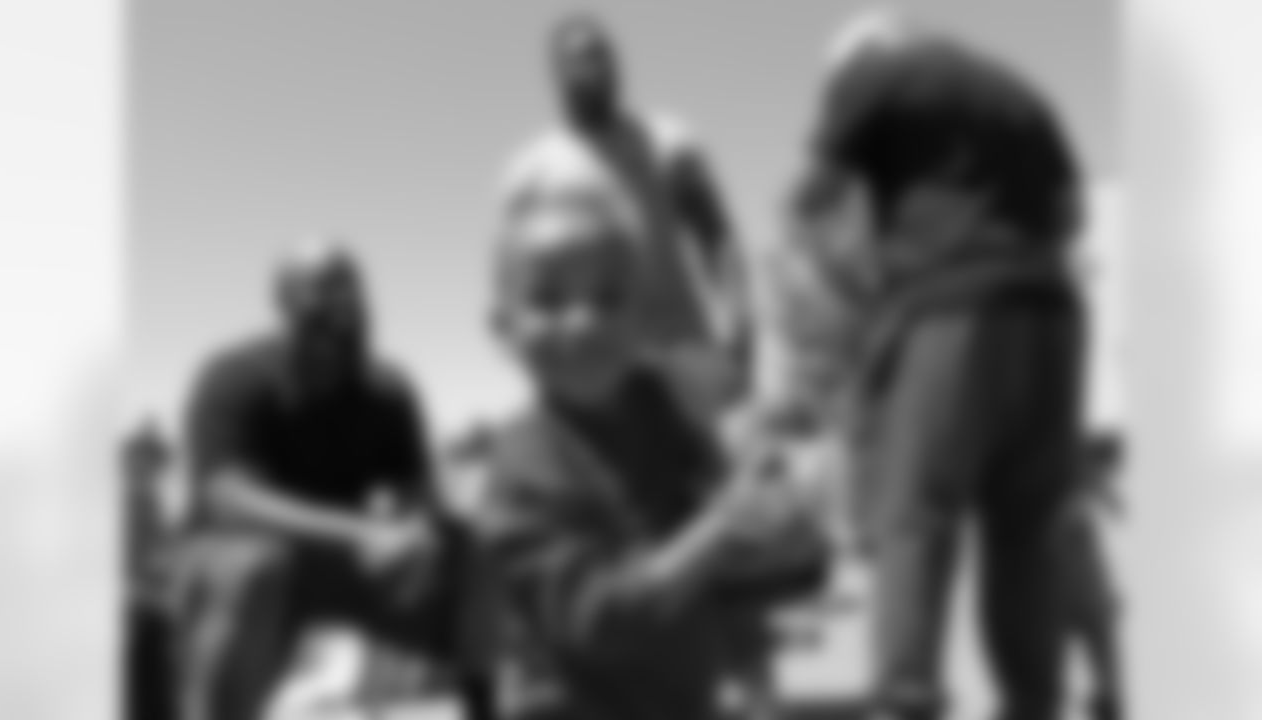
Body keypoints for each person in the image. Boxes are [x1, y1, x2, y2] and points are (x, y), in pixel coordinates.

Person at [799, 14, 1089, 720]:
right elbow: (1071, 214)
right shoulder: (1020, 93)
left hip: (951, 312)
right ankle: (1034, 702)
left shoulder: (874, 74)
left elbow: (815, 199)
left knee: (916, 520)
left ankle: (904, 702)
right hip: (1052, 314)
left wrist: (856, 293)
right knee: (1027, 532)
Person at [473, 178, 829, 720]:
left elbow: (764, 567)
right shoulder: (520, 471)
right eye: (547, 299)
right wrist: (721, 526)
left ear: (641, 316)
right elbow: (599, 620)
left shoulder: (668, 408)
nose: (584, 321)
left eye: (609, 298)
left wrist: (777, 510)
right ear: (504, 328)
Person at [175, 241, 492, 720]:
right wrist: (363, 531)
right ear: (284, 302)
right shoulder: (233, 375)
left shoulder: (387, 387)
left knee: (473, 552)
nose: (343, 302)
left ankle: (485, 703)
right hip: (231, 556)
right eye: (322, 288)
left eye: (351, 286)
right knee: (259, 567)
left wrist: (419, 530)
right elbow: (226, 497)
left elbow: (416, 487)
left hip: (342, 563)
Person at [501, 12, 753, 422]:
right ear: (556, 73)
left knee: (716, 461)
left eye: (604, 54)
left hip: (684, 356)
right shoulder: (530, 175)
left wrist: (740, 322)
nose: (595, 66)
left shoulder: (669, 141)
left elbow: (717, 236)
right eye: (580, 57)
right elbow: (517, 288)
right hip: (593, 382)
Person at [1061, 431, 1126, 720]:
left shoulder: (1085, 479)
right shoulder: (1076, 468)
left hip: (1078, 574)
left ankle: (1106, 695)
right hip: (1062, 564)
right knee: (1100, 625)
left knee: (1102, 627)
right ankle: (1106, 695)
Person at [123, 417, 181, 720]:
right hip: (144, 608)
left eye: (155, 460)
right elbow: (148, 561)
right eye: (146, 457)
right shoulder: (136, 500)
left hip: (154, 607)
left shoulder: (148, 500)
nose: (153, 467)